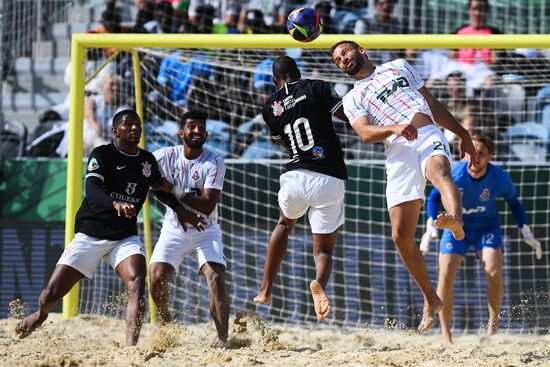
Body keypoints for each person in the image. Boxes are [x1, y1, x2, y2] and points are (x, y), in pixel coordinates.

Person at [15, 109, 205, 346]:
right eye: (129, 124)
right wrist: (114, 202)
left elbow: (158, 187)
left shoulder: (146, 160)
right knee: (49, 295)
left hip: (124, 236)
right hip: (91, 234)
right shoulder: (102, 154)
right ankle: (40, 314)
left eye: (138, 124)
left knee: (137, 281)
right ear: (115, 130)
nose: (135, 128)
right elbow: (92, 190)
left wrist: (180, 209)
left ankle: (130, 348)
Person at [331, 40, 479, 333]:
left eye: (345, 52)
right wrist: (393, 128)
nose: (342, 59)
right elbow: (363, 133)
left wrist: (463, 133)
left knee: (440, 172)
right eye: (337, 59)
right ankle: (430, 299)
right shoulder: (352, 97)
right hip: (397, 150)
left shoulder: (397, 67)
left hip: (424, 132)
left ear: (362, 50)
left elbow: (433, 104)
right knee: (400, 236)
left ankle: (457, 222)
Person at [421, 134, 542, 344]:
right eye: (471, 152)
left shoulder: (499, 177)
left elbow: (514, 202)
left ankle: (492, 330)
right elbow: (433, 197)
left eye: (481, 153)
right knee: (446, 274)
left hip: (487, 228)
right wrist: (430, 223)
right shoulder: (455, 173)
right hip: (456, 227)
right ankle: (446, 336)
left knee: (494, 270)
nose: (475, 157)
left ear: (490, 157)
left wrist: (525, 229)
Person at [253, 56, 348, 321]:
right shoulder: (316, 87)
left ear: (275, 80)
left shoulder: (269, 107)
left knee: (283, 225)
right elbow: (346, 115)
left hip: (294, 176)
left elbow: (282, 141)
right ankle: (319, 283)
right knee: (324, 250)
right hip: (327, 175)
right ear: (298, 72)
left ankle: (265, 289)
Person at [148, 110, 230, 347]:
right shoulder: (164, 156)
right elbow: (149, 179)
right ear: (180, 132)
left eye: (201, 127)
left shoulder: (214, 161)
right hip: (174, 228)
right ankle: (166, 320)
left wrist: (172, 189)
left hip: (206, 228)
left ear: (206, 133)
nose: (196, 131)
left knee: (216, 278)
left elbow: (207, 205)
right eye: (191, 126)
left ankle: (223, 340)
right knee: (155, 277)